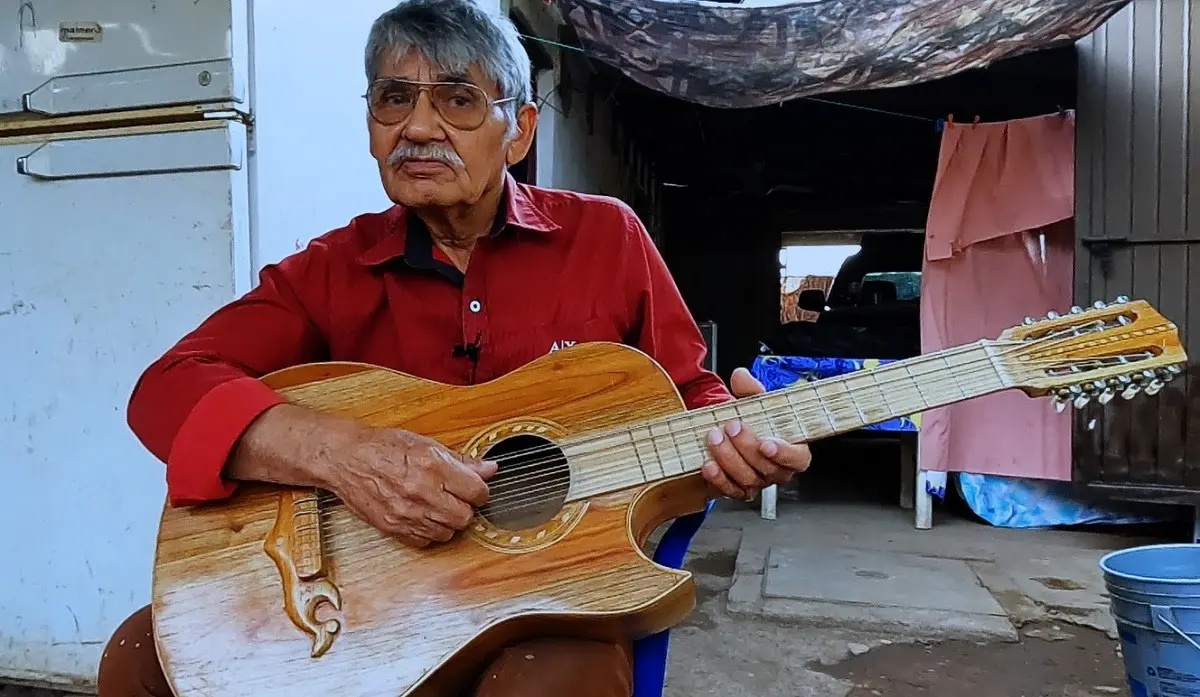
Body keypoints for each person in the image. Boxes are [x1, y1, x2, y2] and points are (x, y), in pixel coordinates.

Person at [95, 1, 812, 695]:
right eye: (393, 98)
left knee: (554, 685)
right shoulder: (334, 267)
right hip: (372, 599)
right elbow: (164, 388)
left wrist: (737, 444)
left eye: (459, 100)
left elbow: (692, 397)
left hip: (556, 591)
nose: (418, 126)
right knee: (141, 658)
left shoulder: (606, 238)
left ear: (520, 130)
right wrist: (345, 457)